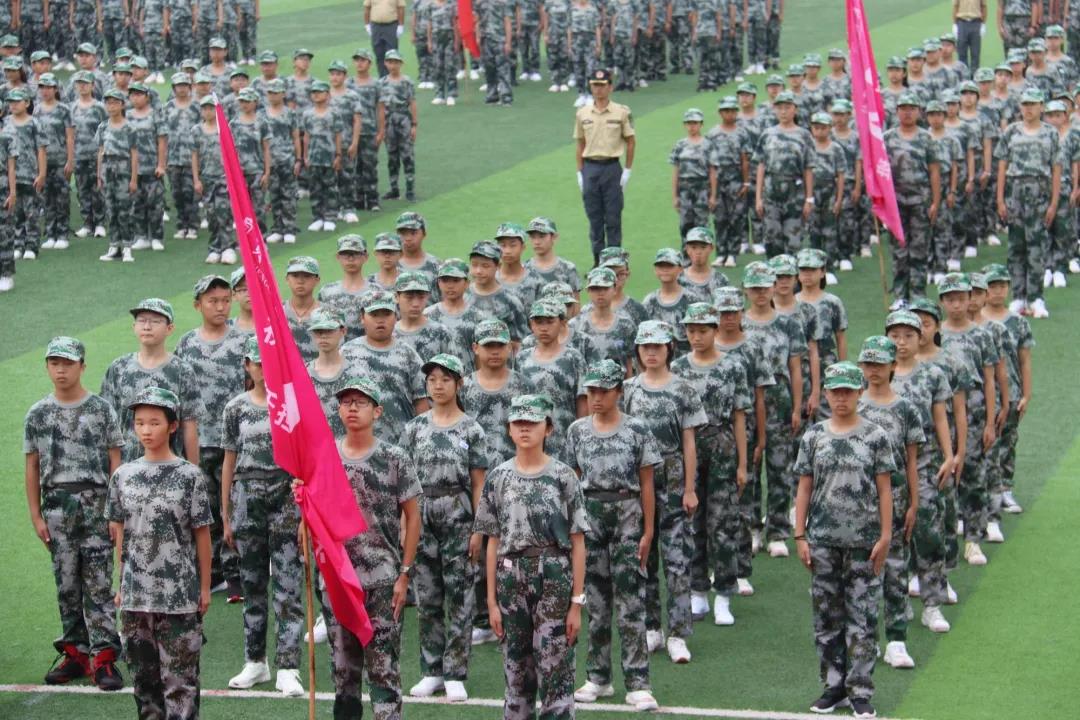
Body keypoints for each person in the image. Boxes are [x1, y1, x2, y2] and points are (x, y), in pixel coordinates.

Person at [473, 393, 588, 719]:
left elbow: (578, 542)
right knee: (516, 669)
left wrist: (576, 603)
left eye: (532, 423)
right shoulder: (498, 477)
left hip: (554, 574)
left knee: (556, 667)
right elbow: (493, 541)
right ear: (509, 429)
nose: (524, 429)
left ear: (547, 428)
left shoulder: (564, 476)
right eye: (518, 423)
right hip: (511, 576)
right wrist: (491, 602)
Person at [793, 362, 894, 720]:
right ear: (827, 394)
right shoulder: (813, 437)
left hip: (864, 544)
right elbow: (804, 486)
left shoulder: (876, 436)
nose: (841, 398)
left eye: (848, 391)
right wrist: (800, 534)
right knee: (827, 618)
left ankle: (860, 691)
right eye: (835, 391)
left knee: (862, 619)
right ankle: (833, 686)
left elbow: (885, 490)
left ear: (859, 393)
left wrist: (886, 535)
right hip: (822, 542)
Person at [316, 376, 421, 719]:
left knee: (383, 670)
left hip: (382, 579)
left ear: (377, 411)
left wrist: (405, 573)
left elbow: (413, 517)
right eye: (346, 402)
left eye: (360, 402)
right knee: (343, 671)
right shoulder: (325, 456)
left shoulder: (394, 458)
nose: (352, 408)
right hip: (338, 579)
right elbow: (313, 515)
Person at [106, 386, 212, 720]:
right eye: (140, 423)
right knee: (145, 686)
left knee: (181, 686)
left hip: (179, 597)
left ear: (172, 426)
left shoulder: (190, 476)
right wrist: (121, 584)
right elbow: (121, 535)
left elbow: (202, 536)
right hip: (136, 598)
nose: (146, 430)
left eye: (154, 422)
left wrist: (204, 588)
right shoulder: (123, 476)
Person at [25, 337, 124, 690]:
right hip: (57, 506)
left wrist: (115, 512)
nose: (61, 370)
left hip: (96, 503)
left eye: (67, 363)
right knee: (66, 584)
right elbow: (32, 466)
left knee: (98, 583)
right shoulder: (37, 414)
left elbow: (115, 461)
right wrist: (36, 516)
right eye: (54, 363)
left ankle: (104, 657)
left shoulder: (101, 409)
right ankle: (76, 654)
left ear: (82, 366)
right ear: (47, 367)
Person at [566, 359, 660, 711]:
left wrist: (648, 530)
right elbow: (572, 480)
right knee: (595, 601)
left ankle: (638, 682)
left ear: (619, 392)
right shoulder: (577, 430)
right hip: (590, 515)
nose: (596, 397)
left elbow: (647, 482)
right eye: (591, 391)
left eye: (603, 391)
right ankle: (598, 677)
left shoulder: (637, 429)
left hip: (627, 514)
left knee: (631, 601)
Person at [220, 337, 305, 697]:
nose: (262, 368)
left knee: (288, 585)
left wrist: (305, 513)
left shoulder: (291, 404)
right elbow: (228, 460)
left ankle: (288, 666)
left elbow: (304, 458)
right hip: (246, 496)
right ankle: (255, 660)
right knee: (252, 582)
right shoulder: (235, 408)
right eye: (257, 363)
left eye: (268, 362)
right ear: (247, 366)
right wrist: (226, 514)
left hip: (285, 496)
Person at [403, 354, 487, 703]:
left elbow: (479, 483)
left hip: (458, 513)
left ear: (458, 384)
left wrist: (479, 528)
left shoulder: (471, 429)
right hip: (423, 514)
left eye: (445, 379)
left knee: (461, 596)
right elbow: (405, 484)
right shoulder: (414, 429)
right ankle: (431, 670)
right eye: (432, 380)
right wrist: (404, 526)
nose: (437, 386)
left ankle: (455, 672)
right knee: (427, 597)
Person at [622, 320, 706, 664]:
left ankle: (678, 633)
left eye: (657, 346)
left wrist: (690, 488)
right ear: (638, 351)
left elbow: (689, 442)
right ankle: (652, 626)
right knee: (644, 556)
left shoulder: (683, 389)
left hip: (672, 479)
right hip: (638, 480)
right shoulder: (628, 389)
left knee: (677, 560)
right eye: (646, 347)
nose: (651, 352)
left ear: (669, 348)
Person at [672, 304, 749, 626]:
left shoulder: (732, 366)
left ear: (715, 330)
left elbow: (739, 415)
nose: (696, 336)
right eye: (691, 330)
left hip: (721, 446)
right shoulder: (677, 368)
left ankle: (724, 594)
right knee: (693, 522)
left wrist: (743, 463)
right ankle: (698, 591)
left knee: (723, 524)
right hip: (688, 449)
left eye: (703, 330)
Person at [174, 275, 248, 603]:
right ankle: (211, 570)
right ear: (198, 305)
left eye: (225, 300)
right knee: (203, 506)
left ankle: (235, 572)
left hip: (235, 440)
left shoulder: (244, 341)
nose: (220, 307)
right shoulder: (186, 344)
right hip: (199, 441)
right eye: (212, 301)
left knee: (232, 506)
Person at [855, 337, 924, 671]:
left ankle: (896, 640)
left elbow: (911, 460)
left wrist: (914, 502)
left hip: (895, 500)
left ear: (893, 366)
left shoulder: (906, 408)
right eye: (868, 364)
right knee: (860, 572)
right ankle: (863, 640)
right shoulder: (852, 404)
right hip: (856, 502)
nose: (874, 370)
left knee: (896, 570)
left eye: (880, 364)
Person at [887, 307, 958, 632]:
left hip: (927, 465)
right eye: (895, 336)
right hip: (889, 470)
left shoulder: (932, 375)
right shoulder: (879, 374)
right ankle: (897, 602)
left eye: (908, 335)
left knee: (929, 534)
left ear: (920, 338)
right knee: (892, 539)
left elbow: (941, 417)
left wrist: (950, 456)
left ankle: (932, 604)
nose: (901, 342)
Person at [741, 262, 804, 558]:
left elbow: (795, 367)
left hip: (779, 399)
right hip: (748, 401)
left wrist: (797, 406)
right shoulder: (739, 323)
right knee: (750, 466)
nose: (760, 293)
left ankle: (777, 530)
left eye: (765, 287)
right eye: (754, 288)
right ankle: (752, 527)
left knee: (780, 467)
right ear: (746, 290)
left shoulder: (788, 323)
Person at [938, 273, 998, 567]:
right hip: (941, 410)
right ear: (942, 302)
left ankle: (973, 538)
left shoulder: (981, 335)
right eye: (950, 299)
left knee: (973, 474)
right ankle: (943, 541)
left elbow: (989, 380)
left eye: (961, 298)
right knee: (942, 475)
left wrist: (990, 422)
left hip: (973, 411)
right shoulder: (935, 334)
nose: (956, 305)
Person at [100, 298, 200, 464]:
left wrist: (193, 470)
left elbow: (189, 424)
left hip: (170, 468)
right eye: (142, 321)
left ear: (169, 328)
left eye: (155, 321)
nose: (147, 327)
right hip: (128, 466)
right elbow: (107, 423)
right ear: (134, 327)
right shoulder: (118, 368)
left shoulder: (182, 371)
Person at [995, 87, 1061, 318]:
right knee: (1016, 246)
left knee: (1037, 247)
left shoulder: (1051, 133)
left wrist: (1054, 203)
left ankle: (1036, 297)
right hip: (1015, 192)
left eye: (1033, 104)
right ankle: (1018, 296)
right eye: (1025, 104)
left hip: (1040, 192)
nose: (1029, 108)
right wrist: (1000, 199)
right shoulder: (1011, 131)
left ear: (1041, 106)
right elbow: (1002, 165)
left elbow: (1056, 169)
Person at [342, 290, 429, 443]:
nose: (380, 320)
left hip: (401, 443)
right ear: (362, 317)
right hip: (356, 444)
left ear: (396, 316)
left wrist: (421, 438)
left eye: (386, 314)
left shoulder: (408, 354)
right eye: (374, 315)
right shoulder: (346, 353)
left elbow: (421, 401)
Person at [980, 263, 1033, 517]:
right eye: (992, 286)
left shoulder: (1018, 322)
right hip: (983, 394)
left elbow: (1024, 361)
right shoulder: (976, 321)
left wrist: (1026, 394)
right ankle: (983, 489)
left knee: (1008, 440)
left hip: (1010, 391)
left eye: (1002, 285)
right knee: (984, 442)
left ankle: (1005, 488)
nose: (998, 291)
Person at [883, 92, 941, 304]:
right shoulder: (887, 138)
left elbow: (934, 171)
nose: (907, 113)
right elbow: (880, 171)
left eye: (912, 109)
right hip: (895, 203)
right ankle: (900, 296)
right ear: (897, 111)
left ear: (919, 112)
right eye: (903, 108)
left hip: (920, 201)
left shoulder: (926, 138)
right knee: (899, 250)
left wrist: (935, 202)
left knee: (919, 249)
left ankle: (917, 294)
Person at [574, 68, 635, 265]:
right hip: (590, 168)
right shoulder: (582, 113)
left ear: (610, 87)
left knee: (613, 218)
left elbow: (630, 141)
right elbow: (580, 143)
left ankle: (614, 262)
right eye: (595, 85)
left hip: (612, 168)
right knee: (595, 219)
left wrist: (627, 170)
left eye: (602, 85)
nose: (598, 89)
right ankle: (598, 262)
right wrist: (580, 172)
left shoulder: (622, 112)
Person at [516, 299, 588, 460]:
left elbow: (582, 401)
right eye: (538, 322)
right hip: (531, 443)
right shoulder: (522, 359)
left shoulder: (573, 358)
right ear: (531, 325)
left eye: (550, 322)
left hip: (566, 444)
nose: (544, 328)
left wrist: (581, 438)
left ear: (561, 323)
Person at [753, 90, 814, 258]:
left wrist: (809, 199)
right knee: (772, 239)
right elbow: (761, 165)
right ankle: (774, 273)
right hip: (771, 192)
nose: (783, 111)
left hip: (795, 192)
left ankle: (792, 274)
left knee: (793, 240)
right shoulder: (768, 134)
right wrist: (758, 198)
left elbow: (808, 168)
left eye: (787, 107)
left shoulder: (804, 135)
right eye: (780, 108)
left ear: (795, 109)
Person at [707, 95, 750, 268]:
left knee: (736, 217)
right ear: (720, 113)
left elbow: (745, 159)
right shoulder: (712, 133)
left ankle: (732, 253)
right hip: (718, 179)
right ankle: (721, 253)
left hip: (735, 179)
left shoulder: (742, 133)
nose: (729, 114)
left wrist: (746, 182)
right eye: (726, 111)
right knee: (719, 218)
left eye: (732, 111)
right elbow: (708, 161)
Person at [192, 95, 236, 264]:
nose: (208, 112)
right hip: (207, 179)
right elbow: (195, 156)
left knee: (224, 212)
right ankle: (215, 248)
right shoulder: (196, 130)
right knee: (211, 215)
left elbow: (232, 153)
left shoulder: (225, 128)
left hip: (224, 178)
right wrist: (196, 179)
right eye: (205, 108)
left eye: (211, 108)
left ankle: (227, 248)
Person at [570, 266, 639, 373]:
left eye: (605, 288)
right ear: (588, 290)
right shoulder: (575, 325)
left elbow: (629, 363)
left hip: (618, 382)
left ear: (614, 289)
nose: (600, 293)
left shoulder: (626, 325)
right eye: (595, 288)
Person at [425, 258, 488, 371]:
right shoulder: (427, 316)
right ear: (439, 283)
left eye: (456, 280)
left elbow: (482, 356)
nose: (450, 286)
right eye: (445, 280)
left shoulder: (478, 318)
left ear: (467, 283)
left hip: (468, 379)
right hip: (437, 379)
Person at [467, 240, 529, 347]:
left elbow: (522, 342)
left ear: (498, 266)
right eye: (474, 265)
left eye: (485, 266)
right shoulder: (462, 295)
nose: (478, 271)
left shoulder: (510, 301)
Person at [262, 78, 301, 244]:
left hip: (287, 159)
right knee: (275, 195)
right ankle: (278, 228)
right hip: (270, 161)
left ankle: (289, 228)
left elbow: (296, 137)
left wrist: (298, 159)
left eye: (276, 92)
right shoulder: (262, 114)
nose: (273, 95)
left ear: (283, 94)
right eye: (270, 92)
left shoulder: (290, 113)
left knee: (288, 195)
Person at [376, 49, 418, 202]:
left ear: (400, 64)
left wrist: (414, 125)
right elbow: (380, 107)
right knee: (392, 156)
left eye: (396, 62)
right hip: (389, 121)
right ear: (385, 63)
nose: (393, 65)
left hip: (403, 119)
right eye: (390, 62)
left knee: (407, 155)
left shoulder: (407, 82)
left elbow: (412, 103)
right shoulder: (381, 83)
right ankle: (394, 189)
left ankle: (410, 189)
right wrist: (381, 128)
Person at [302, 80, 343, 232]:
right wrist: (305, 156)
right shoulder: (307, 114)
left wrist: (338, 155)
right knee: (315, 188)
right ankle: (318, 217)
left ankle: (330, 217)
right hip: (313, 156)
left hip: (329, 156)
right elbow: (306, 136)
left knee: (330, 188)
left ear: (327, 94)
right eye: (314, 92)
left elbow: (338, 135)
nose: (316, 95)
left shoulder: (334, 113)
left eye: (319, 92)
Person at [642, 247, 694, 356]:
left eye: (670, 265)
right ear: (655, 270)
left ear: (680, 269)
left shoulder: (691, 300)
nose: (665, 269)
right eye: (661, 266)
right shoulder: (649, 301)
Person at [349, 48, 383, 211]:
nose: (359, 63)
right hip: (352, 132)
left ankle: (372, 199)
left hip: (370, 130)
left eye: (362, 60)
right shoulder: (349, 83)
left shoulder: (376, 84)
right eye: (357, 60)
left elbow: (380, 108)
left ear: (369, 63)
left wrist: (381, 131)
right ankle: (358, 198)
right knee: (355, 166)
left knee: (370, 166)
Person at [393, 272, 454, 360]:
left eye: (421, 297)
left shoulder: (441, 333)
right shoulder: (389, 334)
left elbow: (453, 367)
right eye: (409, 297)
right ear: (396, 297)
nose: (415, 304)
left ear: (428, 296)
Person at [669, 108, 710, 239]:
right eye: (689, 123)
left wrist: (713, 195)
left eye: (695, 123)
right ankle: (686, 252)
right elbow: (676, 171)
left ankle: (703, 252)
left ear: (701, 124)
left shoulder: (708, 144)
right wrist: (675, 196)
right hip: (685, 190)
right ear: (685, 125)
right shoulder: (680, 145)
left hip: (702, 189)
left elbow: (713, 171)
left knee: (702, 226)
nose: (692, 126)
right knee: (685, 225)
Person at [525, 216, 581, 296]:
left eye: (542, 236)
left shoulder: (568, 269)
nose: (537, 242)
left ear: (554, 237)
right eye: (533, 237)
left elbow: (575, 302)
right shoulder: (524, 269)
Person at [282, 255, 323, 363]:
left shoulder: (329, 314)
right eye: (295, 276)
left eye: (307, 276)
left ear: (317, 280)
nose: (300, 281)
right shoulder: (275, 313)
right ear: (287, 279)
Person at [494, 222, 544, 309]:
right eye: (503, 245)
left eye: (513, 245)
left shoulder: (536, 281)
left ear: (523, 247)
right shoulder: (491, 279)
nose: (507, 251)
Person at [364, 0, 407, 77]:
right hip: (376, 26)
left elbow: (401, 8)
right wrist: (367, 25)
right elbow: (367, 8)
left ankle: (392, 77)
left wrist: (401, 25)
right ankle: (382, 77)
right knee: (379, 53)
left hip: (391, 26)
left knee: (392, 54)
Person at [955, 0, 988, 69]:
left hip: (976, 22)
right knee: (961, 51)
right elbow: (956, 6)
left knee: (975, 52)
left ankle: (975, 73)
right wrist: (954, 24)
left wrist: (983, 24)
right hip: (962, 22)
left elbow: (984, 6)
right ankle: (963, 73)